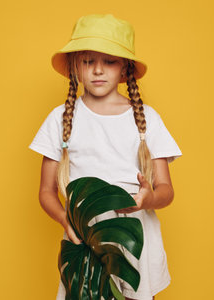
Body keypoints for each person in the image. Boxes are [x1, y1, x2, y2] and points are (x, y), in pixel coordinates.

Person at [29, 14, 182, 300]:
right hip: (85, 237)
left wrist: (147, 200)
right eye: (88, 61)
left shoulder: (146, 120)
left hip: (133, 236)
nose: (98, 70)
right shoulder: (60, 119)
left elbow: (166, 190)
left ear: (125, 68)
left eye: (109, 61)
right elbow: (46, 191)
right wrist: (65, 220)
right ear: (76, 65)